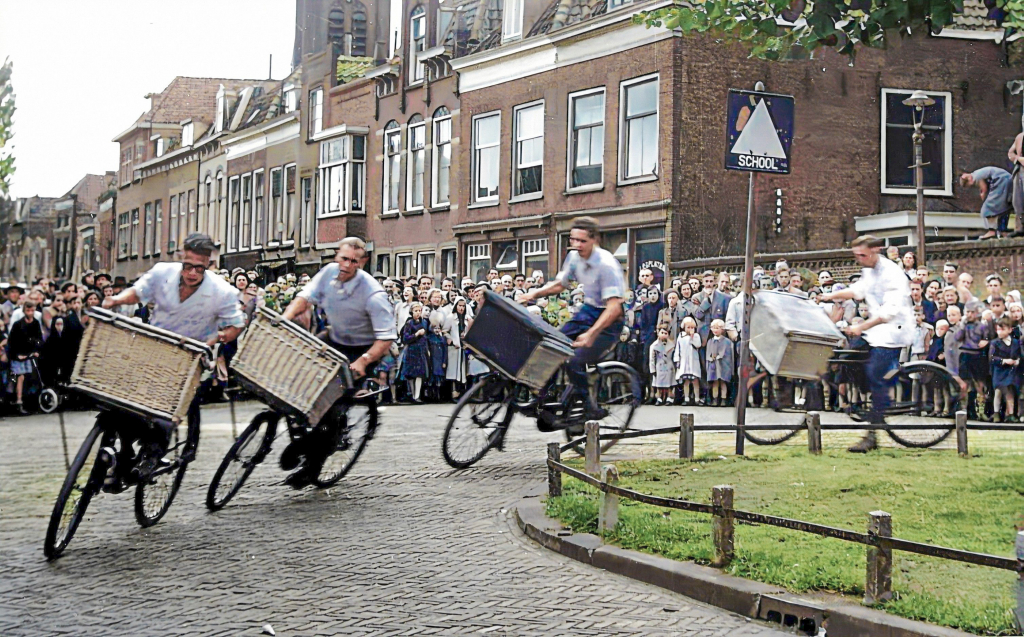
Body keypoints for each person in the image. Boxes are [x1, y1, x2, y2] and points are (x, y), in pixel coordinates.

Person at [278, 237, 398, 485]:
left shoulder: (373, 294)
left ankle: (313, 466)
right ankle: (306, 431)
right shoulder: (328, 273)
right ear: (337, 256)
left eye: (353, 261)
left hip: (363, 349)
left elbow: (386, 338)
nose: (346, 265)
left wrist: (364, 362)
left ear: (362, 263)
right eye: (343, 258)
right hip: (335, 338)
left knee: (332, 405)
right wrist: (284, 320)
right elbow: (304, 299)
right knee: (298, 376)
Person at [519, 216, 626, 425]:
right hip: (588, 310)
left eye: (582, 241)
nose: (576, 245)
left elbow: (614, 307)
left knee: (575, 360)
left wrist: (591, 334)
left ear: (594, 240)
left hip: (609, 321)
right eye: (573, 240)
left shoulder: (606, 265)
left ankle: (590, 407)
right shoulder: (574, 257)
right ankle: (542, 399)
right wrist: (533, 294)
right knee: (551, 345)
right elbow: (561, 284)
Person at [819, 235, 915, 452]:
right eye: (856, 256)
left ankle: (872, 433)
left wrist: (861, 327)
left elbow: (888, 312)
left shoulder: (892, 274)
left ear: (875, 251)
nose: (859, 259)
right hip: (875, 330)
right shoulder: (869, 270)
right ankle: (867, 400)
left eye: (862, 255)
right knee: (848, 359)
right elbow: (857, 290)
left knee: (875, 374)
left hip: (893, 331)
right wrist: (827, 297)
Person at [7, 300, 44, 414]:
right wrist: (17, 355)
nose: (30, 313)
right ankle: (18, 401)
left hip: (30, 354)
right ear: (24, 311)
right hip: (19, 355)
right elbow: (12, 341)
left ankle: (30, 401)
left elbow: (39, 338)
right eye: (28, 310)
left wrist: (36, 350)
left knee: (32, 377)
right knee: (20, 377)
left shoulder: (36, 323)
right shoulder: (18, 324)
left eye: (32, 310)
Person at [960, 168, 1012, 240]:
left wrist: (984, 199)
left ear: (969, 180)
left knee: (987, 208)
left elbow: (984, 189)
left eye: (968, 185)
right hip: (1006, 179)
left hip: (1000, 181)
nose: (970, 186)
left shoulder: (976, 177)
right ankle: (1003, 230)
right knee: (1004, 207)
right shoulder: (976, 173)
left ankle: (992, 231)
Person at [989, 317, 1020, 422]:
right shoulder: (995, 343)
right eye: (998, 329)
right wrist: (1004, 360)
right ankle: (996, 413)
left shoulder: (1015, 342)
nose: (999, 332)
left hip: (1011, 371)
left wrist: (1017, 361)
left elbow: (1018, 354)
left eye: (1002, 329)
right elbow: (992, 358)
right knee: (998, 391)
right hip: (999, 370)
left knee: (1009, 391)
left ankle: (1010, 414)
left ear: (1010, 330)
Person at [673, 316, 702, 405]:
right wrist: (677, 359)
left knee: (695, 380)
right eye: (688, 327)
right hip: (684, 362)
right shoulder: (681, 336)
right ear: (684, 327)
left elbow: (698, 345)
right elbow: (678, 348)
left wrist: (692, 337)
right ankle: (686, 398)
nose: (690, 329)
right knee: (686, 381)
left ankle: (697, 398)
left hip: (693, 362)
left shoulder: (696, 336)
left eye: (692, 327)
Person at [648, 324, 675, 405]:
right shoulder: (654, 346)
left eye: (666, 333)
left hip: (669, 366)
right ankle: (659, 398)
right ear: (658, 333)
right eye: (662, 333)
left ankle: (669, 397)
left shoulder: (672, 345)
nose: (664, 335)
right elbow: (652, 359)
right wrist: (652, 369)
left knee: (670, 384)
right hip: (659, 366)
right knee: (659, 383)